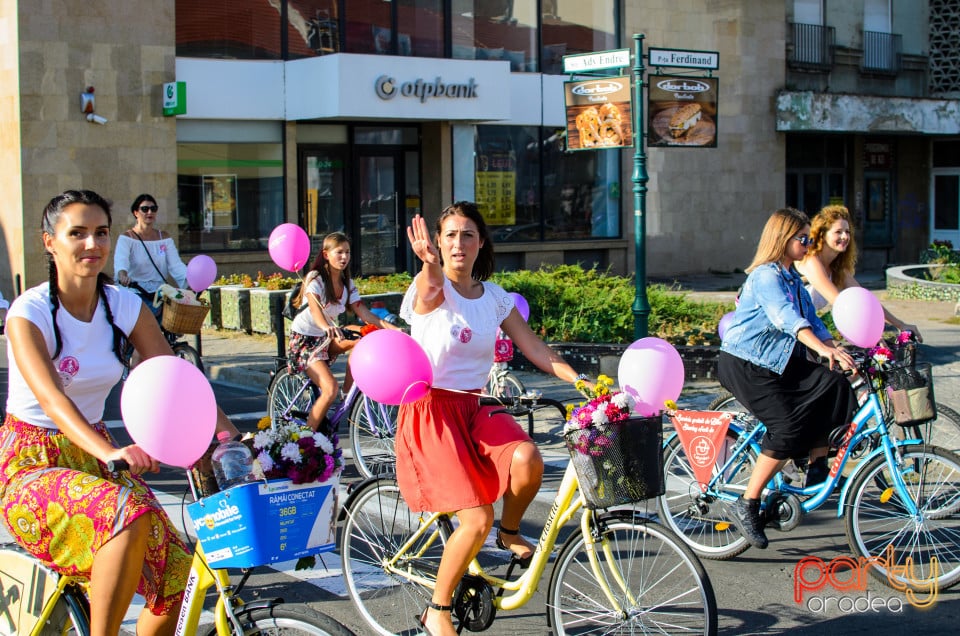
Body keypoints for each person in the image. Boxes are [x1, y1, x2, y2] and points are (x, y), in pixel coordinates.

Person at [1, 189, 239, 636]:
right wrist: (111, 451)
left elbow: (178, 380)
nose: (92, 244)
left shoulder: (122, 305)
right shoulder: (29, 312)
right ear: (49, 242)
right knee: (124, 512)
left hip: (95, 454)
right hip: (33, 460)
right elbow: (53, 399)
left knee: (179, 579)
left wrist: (232, 439)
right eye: (78, 233)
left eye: (101, 233)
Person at [400, 202, 585, 636]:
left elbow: (535, 349)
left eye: (467, 235)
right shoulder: (431, 287)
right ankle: (437, 610)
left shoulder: (495, 297)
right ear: (439, 243)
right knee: (474, 519)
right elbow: (429, 289)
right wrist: (428, 266)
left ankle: (511, 530)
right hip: (431, 410)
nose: (458, 243)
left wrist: (582, 382)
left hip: (474, 404)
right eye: (449, 235)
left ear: (481, 242)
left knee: (528, 459)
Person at [719, 207, 857, 550]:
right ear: (783, 239)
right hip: (746, 363)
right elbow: (787, 320)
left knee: (835, 384)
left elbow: (813, 320)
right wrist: (821, 349)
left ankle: (818, 466)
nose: (809, 244)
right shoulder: (766, 277)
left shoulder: (793, 278)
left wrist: (834, 349)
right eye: (803, 238)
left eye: (810, 238)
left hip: (778, 361)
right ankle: (747, 503)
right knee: (787, 427)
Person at [287, 231, 402, 432]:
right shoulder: (315, 278)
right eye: (339, 252)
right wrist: (326, 327)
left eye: (347, 252)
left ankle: (348, 393)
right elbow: (315, 308)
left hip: (327, 338)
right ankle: (307, 438)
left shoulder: (347, 284)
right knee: (329, 388)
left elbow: (365, 314)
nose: (344, 257)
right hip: (305, 341)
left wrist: (395, 330)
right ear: (326, 254)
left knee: (366, 334)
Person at [796, 204, 922, 341]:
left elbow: (865, 302)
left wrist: (901, 325)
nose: (845, 237)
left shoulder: (838, 268)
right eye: (838, 232)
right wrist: (869, 333)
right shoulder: (810, 260)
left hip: (802, 331)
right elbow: (839, 303)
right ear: (822, 235)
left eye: (847, 232)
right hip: (782, 333)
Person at [114, 193, 188, 319]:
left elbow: (176, 265)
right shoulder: (127, 238)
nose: (150, 212)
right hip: (136, 290)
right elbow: (121, 261)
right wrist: (122, 275)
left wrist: (190, 279)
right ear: (136, 212)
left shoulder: (164, 237)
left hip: (159, 291)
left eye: (153, 209)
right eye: (145, 209)